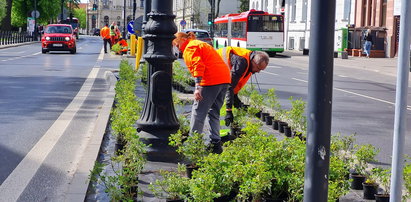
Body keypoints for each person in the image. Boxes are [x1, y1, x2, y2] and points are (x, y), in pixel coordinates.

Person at [173, 32, 231, 154]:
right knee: (214, 112)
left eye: (176, 43)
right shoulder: (200, 44)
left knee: (198, 112)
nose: (176, 47)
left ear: (183, 39)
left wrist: (198, 87)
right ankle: (216, 144)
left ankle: (194, 145)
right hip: (224, 79)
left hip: (210, 80)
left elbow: (197, 65)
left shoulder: (190, 47)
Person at [216, 46, 269, 126]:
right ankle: (216, 134)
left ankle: (219, 132)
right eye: (258, 68)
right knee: (215, 105)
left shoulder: (249, 64)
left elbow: (234, 87)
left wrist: (238, 103)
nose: (258, 71)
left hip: (220, 75)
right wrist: (229, 110)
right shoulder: (241, 62)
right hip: (212, 70)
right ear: (254, 61)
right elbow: (229, 86)